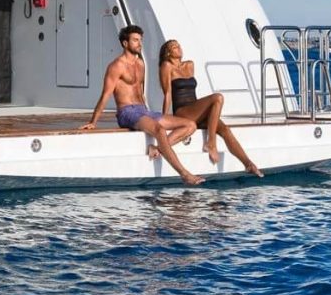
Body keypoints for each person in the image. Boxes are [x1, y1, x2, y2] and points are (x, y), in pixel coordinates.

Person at [80, 25, 205, 186]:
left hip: (143, 111)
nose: (140, 43)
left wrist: (150, 112)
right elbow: (105, 95)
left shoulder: (141, 64)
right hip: (127, 112)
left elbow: (140, 92)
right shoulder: (116, 66)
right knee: (159, 130)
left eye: (141, 40)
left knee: (190, 125)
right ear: (125, 43)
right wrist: (93, 122)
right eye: (135, 40)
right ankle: (184, 174)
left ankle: (157, 149)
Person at [158, 39, 264, 177]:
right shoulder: (166, 66)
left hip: (195, 110)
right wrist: (164, 119)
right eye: (174, 47)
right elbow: (167, 94)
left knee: (225, 129)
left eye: (179, 45)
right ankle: (211, 143)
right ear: (168, 53)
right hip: (183, 111)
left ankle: (248, 164)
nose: (179, 48)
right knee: (217, 98)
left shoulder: (189, 65)